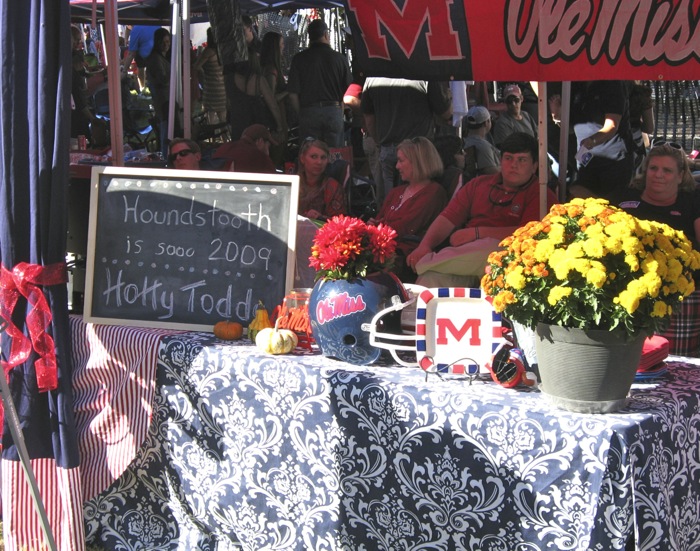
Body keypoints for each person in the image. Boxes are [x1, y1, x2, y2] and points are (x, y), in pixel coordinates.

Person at [406, 132, 558, 288]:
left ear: (534, 166)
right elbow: (447, 218)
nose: (514, 165)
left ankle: (423, 263)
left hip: (508, 265)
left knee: (493, 247)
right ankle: (420, 287)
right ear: (500, 160)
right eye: (508, 158)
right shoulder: (478, 184)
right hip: (466, 259)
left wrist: (476, 233)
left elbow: (529, 233)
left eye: (522, 160)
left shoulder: (541, 194)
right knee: (430, 279)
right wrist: (425, 245)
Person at [614, 143, 700, 355]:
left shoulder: (692, 202)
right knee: (632, 359)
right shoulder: (626, 200)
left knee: (677, 363)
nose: (658, 174)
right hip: (630, 294)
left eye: (667, 170)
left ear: (680, 176)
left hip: (682, 296)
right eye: (653, 168)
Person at [361, 77, 452, 203]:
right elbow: (446, 113)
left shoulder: (373, 77)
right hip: (417, 152)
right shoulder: (424, 75)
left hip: (389, 148)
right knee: (417, 203)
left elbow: (369, 118)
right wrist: (449, 97)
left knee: (390, 204)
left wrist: (380, 142)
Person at [369, 137, 448, 282]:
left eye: (401, 161)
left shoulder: (433, 192)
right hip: (382, 247)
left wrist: (376, 228)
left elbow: (407, 226)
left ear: (418, 162)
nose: (397, 166)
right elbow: (380, 218)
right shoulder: (396, 191)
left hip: (404, 255)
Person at [556, 80, 634, 199]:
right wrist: (557, 115)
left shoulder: (612, 84)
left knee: (611, 205)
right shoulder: (576, 86)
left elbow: (612, 125)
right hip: (585, 158)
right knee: (584, 202)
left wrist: (592, 140)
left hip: (613, 160)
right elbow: (571, 129)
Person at [287, 19, 352, 148]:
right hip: (333, 111)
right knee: (335, 155)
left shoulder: (299, 59)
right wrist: (340, 111)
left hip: (309, 112)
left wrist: (301, 113)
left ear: (309, 37)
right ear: (326, 35)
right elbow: (348, 91)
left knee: (310, 154)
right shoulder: (340, 59)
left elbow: (292, 94)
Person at [227, 43, 283, 144]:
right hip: (257, 124)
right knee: (257, 154)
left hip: (237, 121)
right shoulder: (258, 80)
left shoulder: (229, 78)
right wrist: (279, 127)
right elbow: (273, 105)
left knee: (239, 152)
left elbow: (228, 101)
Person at [297, 138, 347, 220]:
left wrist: (320, 217)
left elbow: (340, 221)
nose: (319, 162)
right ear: (302, 158)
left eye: (323, 158)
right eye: (314, 157)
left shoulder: (332, 186)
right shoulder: (293, 184)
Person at [260, 31, 289, 165]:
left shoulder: (270, 68)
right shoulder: (270, 70)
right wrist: (288, 91)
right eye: (282, 44)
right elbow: (271, 98)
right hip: (274, 119)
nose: (283, 47)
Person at [146, 28, 174, 157]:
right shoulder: (156, 59)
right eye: (163, 42)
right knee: (165, 129)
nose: (166, 45)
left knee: (167, 127)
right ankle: (164, 157)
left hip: (166, 97)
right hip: (162, 99)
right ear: (157, 42)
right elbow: (162, 79)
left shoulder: (161, 57)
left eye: (168, 42)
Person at [193, 27, 227, 124]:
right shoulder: (222, 50)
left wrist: (203, 73)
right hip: (222, 88)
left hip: (211, 88)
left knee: (210, 119)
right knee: (223, 119)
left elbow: (196, 66)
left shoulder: (209, 51)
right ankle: (225, 138)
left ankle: (212, 138)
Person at [213, 124, 278, 174]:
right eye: (268, 146)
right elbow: (274, 183)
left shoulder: (224, 147)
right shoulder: (260, 158)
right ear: (260, 141)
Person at [462, 105, 501, 177]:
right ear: (486, 123)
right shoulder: (482, 146)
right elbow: (491, 171)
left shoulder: (465, 141)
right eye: (490, 119)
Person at [121, 25, 160, 90]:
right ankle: (145, 88)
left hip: (152, 56)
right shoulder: (153, 24)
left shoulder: (135, 30)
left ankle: (143, 88)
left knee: (141, 64)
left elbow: (131, 54)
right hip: (160, 55)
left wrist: (124, 71)